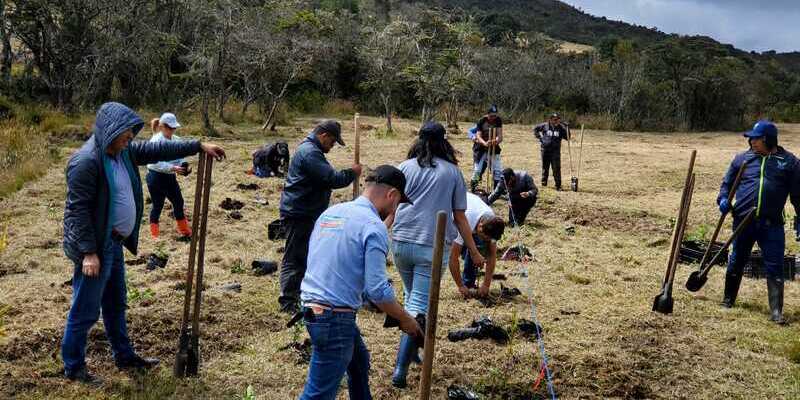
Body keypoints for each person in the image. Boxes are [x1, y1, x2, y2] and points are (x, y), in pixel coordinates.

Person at [61, 102, 225, 384]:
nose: (130, 139)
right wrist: (88, 253)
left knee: (116, 304)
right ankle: (74, 367)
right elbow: (76, 213)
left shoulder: (122, 152)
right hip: (96, 248)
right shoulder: (86, 162)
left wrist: (198, 145)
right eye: (126, 134)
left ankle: (124, 356)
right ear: (110, 131)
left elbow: (157, 149)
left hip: (114, 243)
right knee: (85, 310)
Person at [298, 165, 422, 400]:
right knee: (318, 394)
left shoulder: (332, 213)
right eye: (398, 203)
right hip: (335, 317)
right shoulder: (373, 227)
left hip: (312, 307)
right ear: (392, 195)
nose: (395, 209)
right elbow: (378, 291)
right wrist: (406, 319)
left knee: (359, 363)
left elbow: (333, 260)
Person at [389, 121, 485, 388]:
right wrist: (474, 251)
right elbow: (460, 217)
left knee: (411, 299)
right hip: (430, 246)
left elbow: (391, 206)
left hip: (400, 243)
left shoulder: (404, 167)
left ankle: (416, 352)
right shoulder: (452, 172)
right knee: (418, 306)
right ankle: (400, 369)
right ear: (445, 142)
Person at [717, 120, 800, 324]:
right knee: (737, 259)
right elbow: (726, 184)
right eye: (751, 138)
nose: (752, 142)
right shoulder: (742, 159)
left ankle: (776, 312)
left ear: (768, 140)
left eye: (756, 138)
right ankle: (728, 300)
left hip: (772, 225)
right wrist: (723, 200)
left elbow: (798, 196)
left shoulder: (790, 162)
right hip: (743, 221)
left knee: (775, 266)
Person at [278, 120, 362, 313]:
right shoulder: (310, 153)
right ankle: (288, 301)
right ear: (323, 135)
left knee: (305, 255)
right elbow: (332, 179)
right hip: (300, 213)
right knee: (295, 257)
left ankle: (300, 295)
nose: (332, 147)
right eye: (332, 142)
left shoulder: (310, 150)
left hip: (305, 211)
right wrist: (352, 172)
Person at [448, 192, 506, 299]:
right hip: (451, 210)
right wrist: (460, 286)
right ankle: (465, 285)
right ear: (480, 226)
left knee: (478, 248)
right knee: (468, 248)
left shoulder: (492, 222)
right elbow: (453, 257)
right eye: (485, 238)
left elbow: (491, 255)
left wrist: (486, 285)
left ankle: (469, 284)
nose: (486, 241)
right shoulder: (465, 222)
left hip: (471, 211)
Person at [145, 113, 192, 239]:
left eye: (174, 128)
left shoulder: (176, 140)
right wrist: (172, 167)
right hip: (156, 178)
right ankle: (154, 234)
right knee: (158, 204)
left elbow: (180, 156)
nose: (172, 130)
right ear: (162, 127)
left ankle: (185, 231)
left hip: (170, 177)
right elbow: (153, 162)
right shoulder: (155, 141)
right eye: (170, 128)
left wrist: (184, 165)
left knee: (178, 202)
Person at [469, 105, 504, 192]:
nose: (493, 118)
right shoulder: (481, 121)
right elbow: (478, 136)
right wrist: (485, 143)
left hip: (494, 147)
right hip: (481, 148)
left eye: (495, 115)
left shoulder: (498, 120)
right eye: (491, 116)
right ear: (487, 114)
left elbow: (500, 135)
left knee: (497, 169)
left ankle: (497, 190)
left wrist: (496, 140)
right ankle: (474, 187)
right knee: (477, 170)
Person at [533, 113, 570, 190]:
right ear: (550, 119)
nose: (556, 121)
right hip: (545, 150)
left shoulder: (561, 128)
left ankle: (558, 186)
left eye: (558, 119)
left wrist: (567, 128)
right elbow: (535, 128)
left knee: (556, 168)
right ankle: (544, 184)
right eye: (554, 119)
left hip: (555, 152)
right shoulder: (544, 126)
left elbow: (568, 137)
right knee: (545, 167)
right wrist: (540, 138)